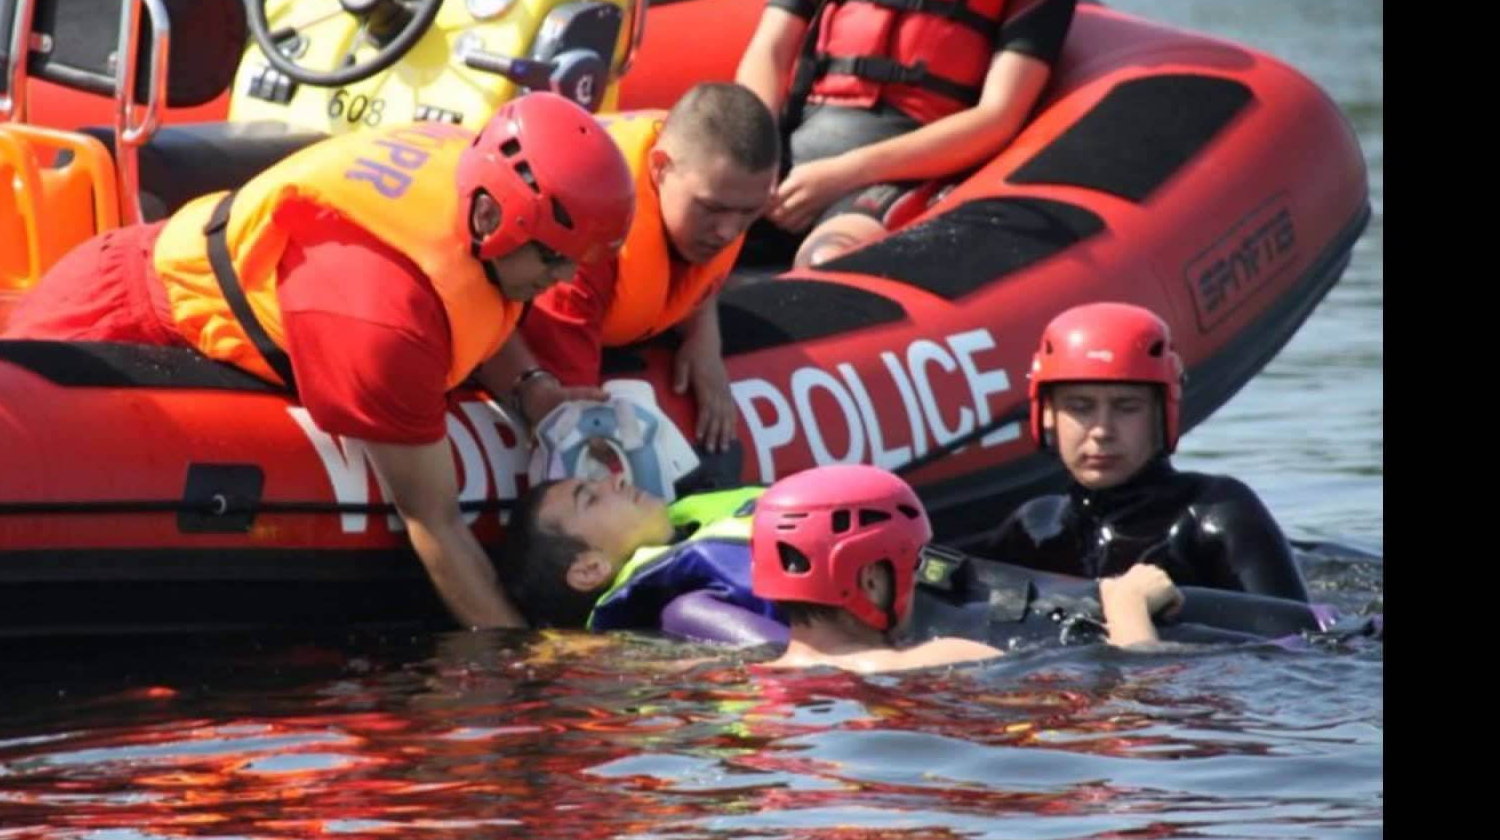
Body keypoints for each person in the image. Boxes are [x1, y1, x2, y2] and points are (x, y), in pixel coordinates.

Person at [5, 93, 638, 627]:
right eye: (554, 260)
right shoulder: (383, 319)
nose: (562, 280)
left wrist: (531, 389)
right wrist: (524, 667)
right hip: (120, 315)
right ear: (495, 217)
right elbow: (434, 523)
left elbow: (472, 303)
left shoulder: (472, 183)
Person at [733, 0, 1081, 268]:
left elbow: (998, 116)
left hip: (906, 167)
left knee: (826, 258)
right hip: (797, 144)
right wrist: (754, 152)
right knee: (681, 216)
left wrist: (841, 175)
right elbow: (770, 48)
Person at [499, 463, 1185, 667]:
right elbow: (797, 663)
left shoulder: (696, 536)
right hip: (1001, 628)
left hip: (985, 603)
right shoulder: (681, 604)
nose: (616, 480)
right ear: (589, 570)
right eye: (590, 497)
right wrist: (1124, 613)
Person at [963, 302, 1311, 602]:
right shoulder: (1034, 526)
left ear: (1163, 413)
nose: (1102, 431)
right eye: (1080, 407)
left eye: (1127, 407)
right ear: (1049, 413)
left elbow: (1300, 636)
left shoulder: (1216, 513)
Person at [517, 83, 779, 453]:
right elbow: (570, 419)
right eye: (712, 208)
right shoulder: (582, 248)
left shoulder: (714, 190)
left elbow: (697, 274)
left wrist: (704, 336)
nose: (729, 232)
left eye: (749, 213)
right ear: (659, 168)